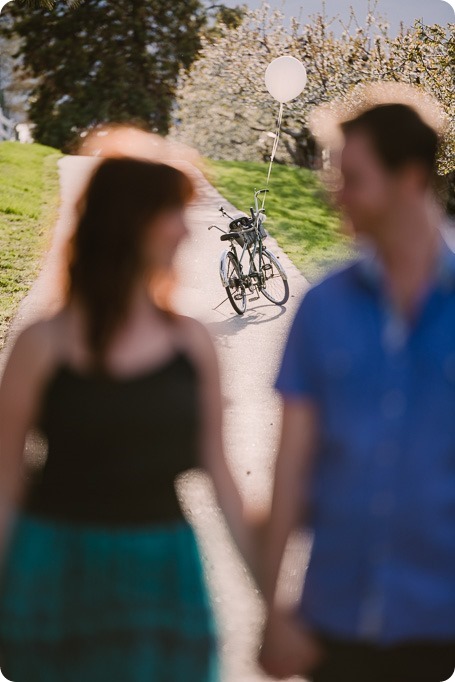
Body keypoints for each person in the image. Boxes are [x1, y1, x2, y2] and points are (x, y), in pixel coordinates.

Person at [0, 155, 254, 681]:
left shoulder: (194, 343)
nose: (186, 230)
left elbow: (223, 478)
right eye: (173, 213)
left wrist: (272, 600)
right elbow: (5, 480)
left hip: (163, 571)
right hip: (55, 566)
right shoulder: (41, 344)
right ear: (129, 222)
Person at [259, 91, 455, 682]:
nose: (334, 194)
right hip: (333, 622)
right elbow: (288, 470)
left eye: (354, 179)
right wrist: (272, 611)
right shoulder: (322, 308)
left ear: (410, 179)